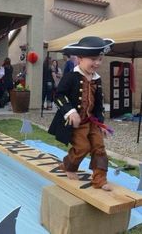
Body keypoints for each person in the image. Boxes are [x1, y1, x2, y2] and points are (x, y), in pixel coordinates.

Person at [48, 36, 114, 191]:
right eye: (93, 59)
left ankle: (100, 179)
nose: (97, 63)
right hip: (76, 124)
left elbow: (98, 105)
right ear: (80, 58)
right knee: (83, 147)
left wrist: (102, 123)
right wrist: (70, 111)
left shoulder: (97, 80)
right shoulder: (71, 76)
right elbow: (59, 96)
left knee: (99, 147)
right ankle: (69, 165)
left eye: (100, 59)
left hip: (92, 122)